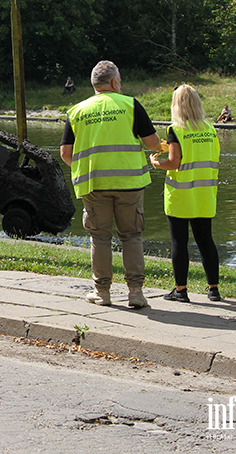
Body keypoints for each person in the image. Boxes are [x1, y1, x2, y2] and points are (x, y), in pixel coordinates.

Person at [60, 60, 160, 309]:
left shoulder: (77, 111)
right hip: (129, 183)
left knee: (100, 238)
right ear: (115, 82)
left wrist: (85, 167)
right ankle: (135, 292)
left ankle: (102, 292)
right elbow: (152, 143)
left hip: (94, 185)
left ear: (94, 84)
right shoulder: (130, 105)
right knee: (132, 236)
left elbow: (65, 153)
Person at [149, 85, 222, 303]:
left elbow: (174, 162)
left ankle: (181, 290)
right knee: (205, 240)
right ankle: (214, 289)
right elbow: (198, 154)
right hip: (204, 192)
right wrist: (167, 147)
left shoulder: (176, 130)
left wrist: (156, 162)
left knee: (179, 241)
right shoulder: (210, 128)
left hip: (181, 194)